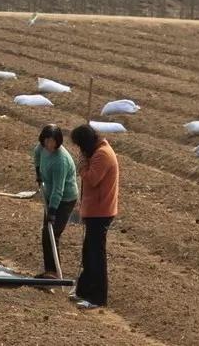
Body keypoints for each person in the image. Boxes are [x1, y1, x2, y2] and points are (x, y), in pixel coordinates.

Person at [69, 123, 119, 310]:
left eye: (81, 147)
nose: (80, 151)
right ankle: (84, 290)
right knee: (88, 253)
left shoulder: (102, 155)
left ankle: (97, 297)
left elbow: (92, 178)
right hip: (95, 210)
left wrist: (82, 165)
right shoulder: (98, 152)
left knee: (96, 255)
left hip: (100, 212)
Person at [32, 124, 78, 278]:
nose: (50, 145)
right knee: (46, 233)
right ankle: (50, 271)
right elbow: (37, 154)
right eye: (47, 141)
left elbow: (59, 189)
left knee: (53, 233)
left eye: (53, 141)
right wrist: (38, 172)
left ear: (58, 141)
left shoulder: (61, 161)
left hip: (64, 199)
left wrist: (52, 211)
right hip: (50, 194)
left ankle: (54, 273)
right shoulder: (42, 148)